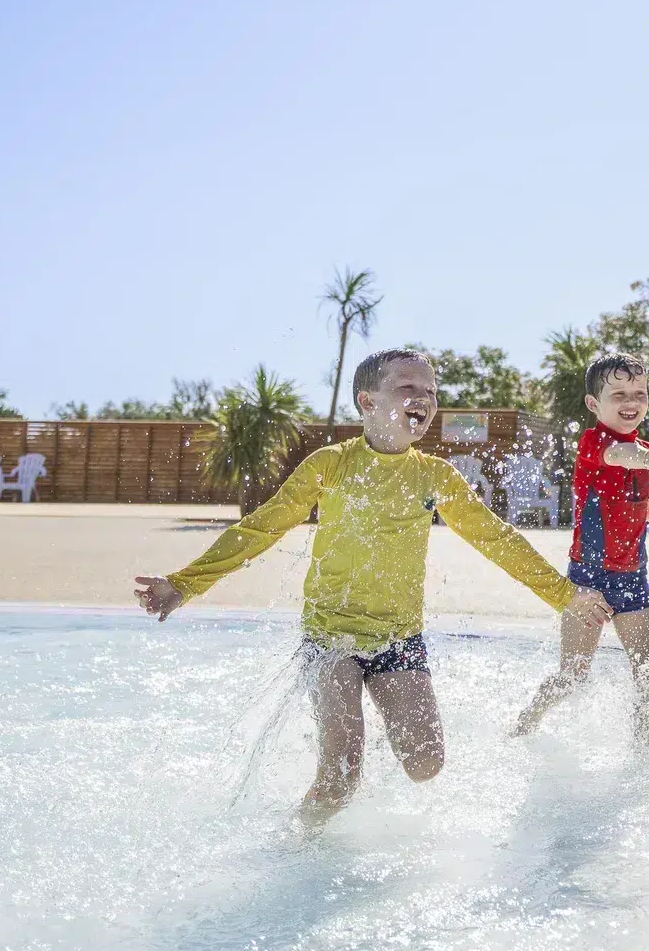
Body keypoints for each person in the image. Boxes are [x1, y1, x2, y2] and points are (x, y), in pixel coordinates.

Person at [134, 348, 612, 823]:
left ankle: (363, 756)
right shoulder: (330, 465)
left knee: (426, 764)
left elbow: (496, 540)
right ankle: (296, 850)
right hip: (330, 638)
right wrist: (185, 583)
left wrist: (563, 595)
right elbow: (262, 528)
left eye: (430, 391)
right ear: (367, 402)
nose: (423, 398)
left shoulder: (434, 476)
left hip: (398, 638)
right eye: (408, 388)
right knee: (341, 777)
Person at [512, 353, 649, 740]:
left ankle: (645, 760)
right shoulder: (594, 442)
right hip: (589, 580)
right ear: (593, 404)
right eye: (618, 394)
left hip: (634, 577)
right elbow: (619, 455)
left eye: (639, 393)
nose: (630, 401)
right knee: (572, 676)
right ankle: (522, 730)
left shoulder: (646, 452)